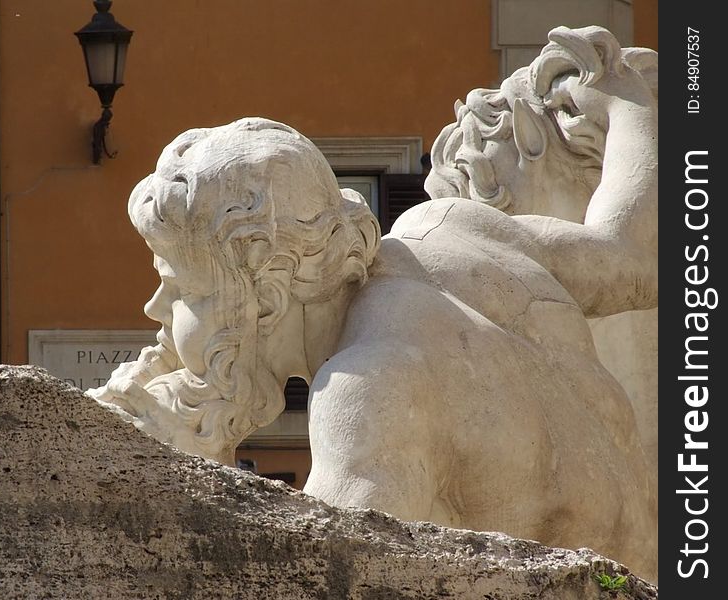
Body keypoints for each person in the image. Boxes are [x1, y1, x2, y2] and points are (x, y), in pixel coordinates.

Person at [91, 26, 658, 580]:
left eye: (177, 284)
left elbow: (319, 581)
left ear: (265, 297)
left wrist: (186, 479)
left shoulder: (367, 393)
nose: (156, 307)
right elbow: (632, 258)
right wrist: (621, 92)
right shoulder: (449, 229)